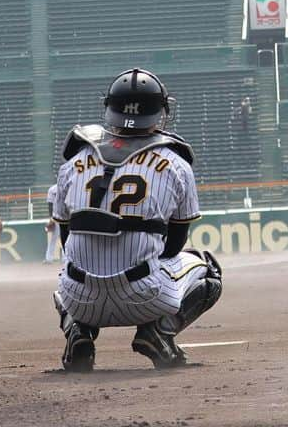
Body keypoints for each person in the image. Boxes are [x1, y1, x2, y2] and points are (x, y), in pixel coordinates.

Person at [51, 68, 223, 372]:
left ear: (109, 108)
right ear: (160, 111)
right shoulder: (175, 163)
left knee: (66, 270)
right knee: (208, 271)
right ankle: (159, 332)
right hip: (145, 296)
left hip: (80, 299)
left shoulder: (74, 161)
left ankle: (78, 331)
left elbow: (66, 241)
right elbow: (174, 245)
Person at [43, 184, 61, 264]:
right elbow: (50, 204)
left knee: (66, 238)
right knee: (54, 238)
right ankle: (49, 258)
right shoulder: (52, 189)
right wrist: (51, 218)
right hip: (56, 217)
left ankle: (66, 259)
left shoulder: (67, 186)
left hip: (65, 216)